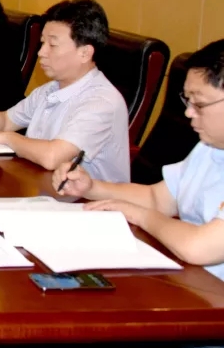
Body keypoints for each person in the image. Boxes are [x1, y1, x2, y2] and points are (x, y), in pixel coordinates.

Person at [52, 39, 224, 281]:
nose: (188, 112)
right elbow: (158, 198)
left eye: (200, 103)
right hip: (190, 279)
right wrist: (91, 188)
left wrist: (140, 215)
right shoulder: (208, 148)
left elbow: (198, 247)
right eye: (188, 100)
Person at [0, 0, 129, 182]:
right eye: (42, 43)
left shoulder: (101, 102)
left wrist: (9, 139)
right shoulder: (50, 89)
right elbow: (5, 121)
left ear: (85, 53)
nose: (41, 52)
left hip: (84, 199)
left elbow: (53, 157)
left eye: (52, 45)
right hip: (42, 186)